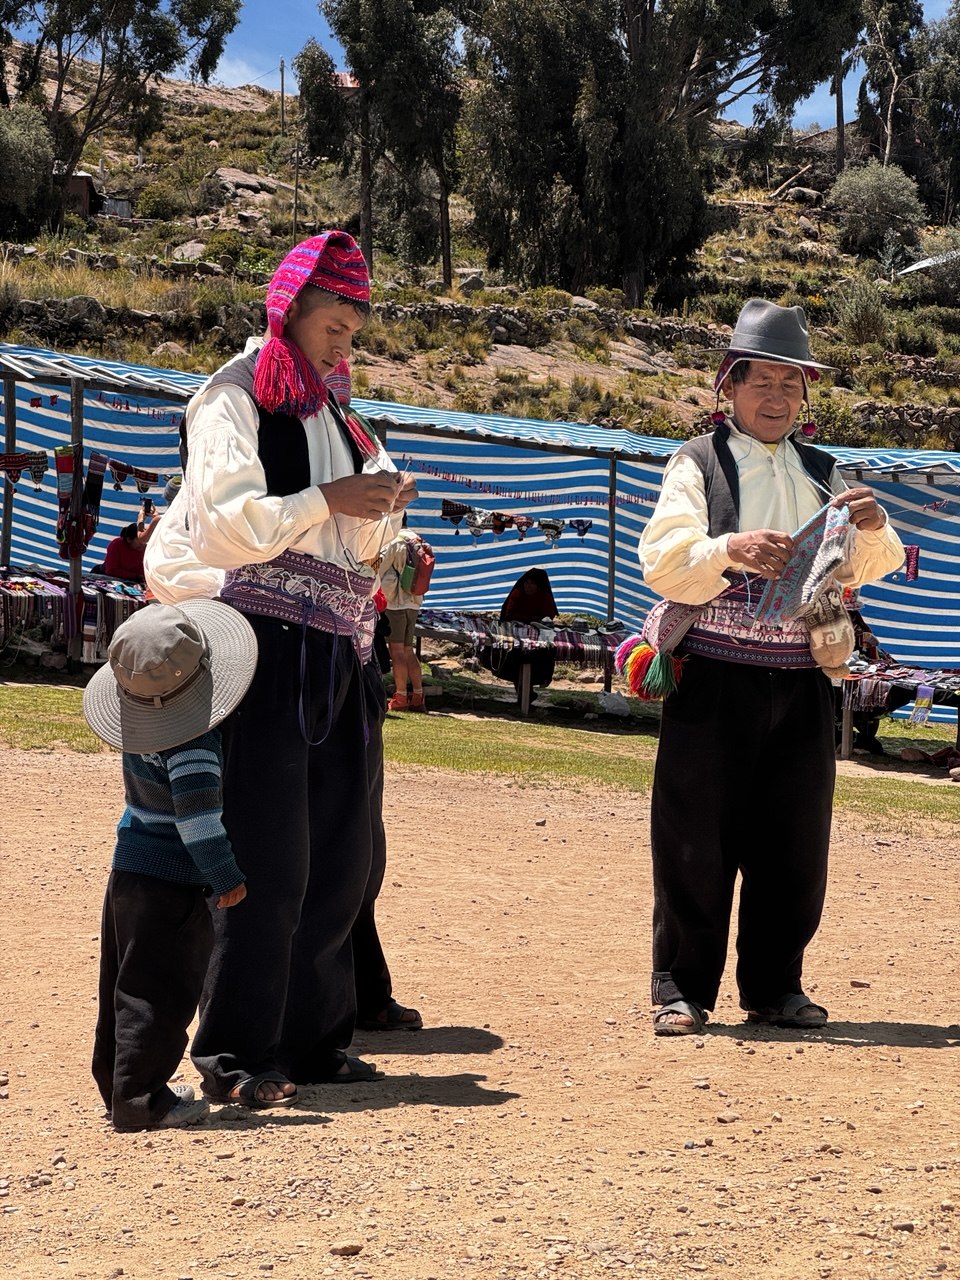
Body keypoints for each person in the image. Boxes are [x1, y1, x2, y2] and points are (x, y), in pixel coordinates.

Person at [144, 231, 419, 1106]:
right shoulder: (231, 399)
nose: (344, 346)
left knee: (342, 853)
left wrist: (383, 524)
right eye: (334, 326)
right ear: (290, 307)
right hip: (262, 647)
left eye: (352, 332)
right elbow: (225, 527)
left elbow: (354, 543)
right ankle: (236, 1052)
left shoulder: (340, 416)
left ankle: (314, 1039)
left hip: (340, 651)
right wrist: (331, 500)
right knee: (270, 852)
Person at [637, 299, 904, 1036]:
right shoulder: (697, 462)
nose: (778, 396)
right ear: (730, 384)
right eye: (762, 381)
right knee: (695, 835)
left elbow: (870, 564)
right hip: (714, 675)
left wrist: (876, 527)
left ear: (806, 393)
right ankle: (681, 989)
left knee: (794, 837)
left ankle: (776, 986)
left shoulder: (826, 472)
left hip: (803, 677)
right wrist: (729, 549)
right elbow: (663, 559)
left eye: (792, 382)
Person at [82, 600, 258, 1129]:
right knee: (161, 991)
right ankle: (142, 1102)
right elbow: (198, 823)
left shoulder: (141, 732)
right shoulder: (194, 743)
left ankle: (118, 1083)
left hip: (128, 869)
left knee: (123, 981)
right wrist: (227, 877)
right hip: (172, 880)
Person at [479, 568, 559, 700]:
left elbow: (548, 617)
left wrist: (534, 620)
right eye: (526, 583)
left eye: (532, 584)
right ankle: (524, 693)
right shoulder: (518, 592)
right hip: (514, 634)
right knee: (515, 660)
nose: (528, 586)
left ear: (538, 586)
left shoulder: (544, 597)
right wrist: (531, 619)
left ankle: (526, 693)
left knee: (538, 658)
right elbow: (509, 614)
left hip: (537, 636)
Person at [380, 515, 428, 711]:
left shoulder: (394, 542)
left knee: (397, 650)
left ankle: (400, 697)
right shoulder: (420, 541)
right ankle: (418, 695)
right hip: (414, 601)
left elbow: (380, 568)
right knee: (408, 650)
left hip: (396, 602)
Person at [100, 506, 161, 580]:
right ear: (129, 539)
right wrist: (135, 576)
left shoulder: (145, 549)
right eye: (140, 541)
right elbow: (111, 570)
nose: (143, 544)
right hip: (109, 577)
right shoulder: (117, 544)